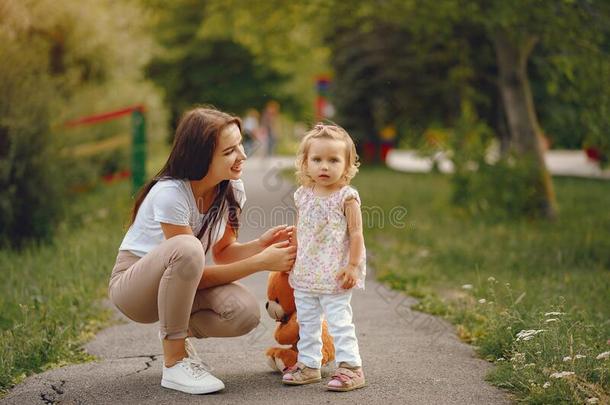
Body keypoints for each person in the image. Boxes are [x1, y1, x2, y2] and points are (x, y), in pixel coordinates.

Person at [108, 107, 297, 395]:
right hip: (134, 289)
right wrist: (260, 262)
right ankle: (174, 362)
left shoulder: (232, 189)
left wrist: (261, 245)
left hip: (177, 282)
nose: (242, 156)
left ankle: (178, 334)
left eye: (241, 145)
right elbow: (190, 262)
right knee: (188, 247)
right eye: (230, 151)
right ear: (201, 156)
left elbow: (224, 252)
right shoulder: (171, 193)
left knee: (244, 313)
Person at [282, 123, 366, 391]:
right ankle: (309, 364)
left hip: (335, 274)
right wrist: (291, 256)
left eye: (333, 160)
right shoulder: (303, 195)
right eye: (317, 159)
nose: (324, 166)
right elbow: (300, 230)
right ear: (305, 163)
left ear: (348, 164)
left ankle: (351, 367)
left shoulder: (346, 198)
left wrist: (353, 266)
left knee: (339, 322)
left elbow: (356, 235)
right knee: (307, 322)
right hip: (306, 272)